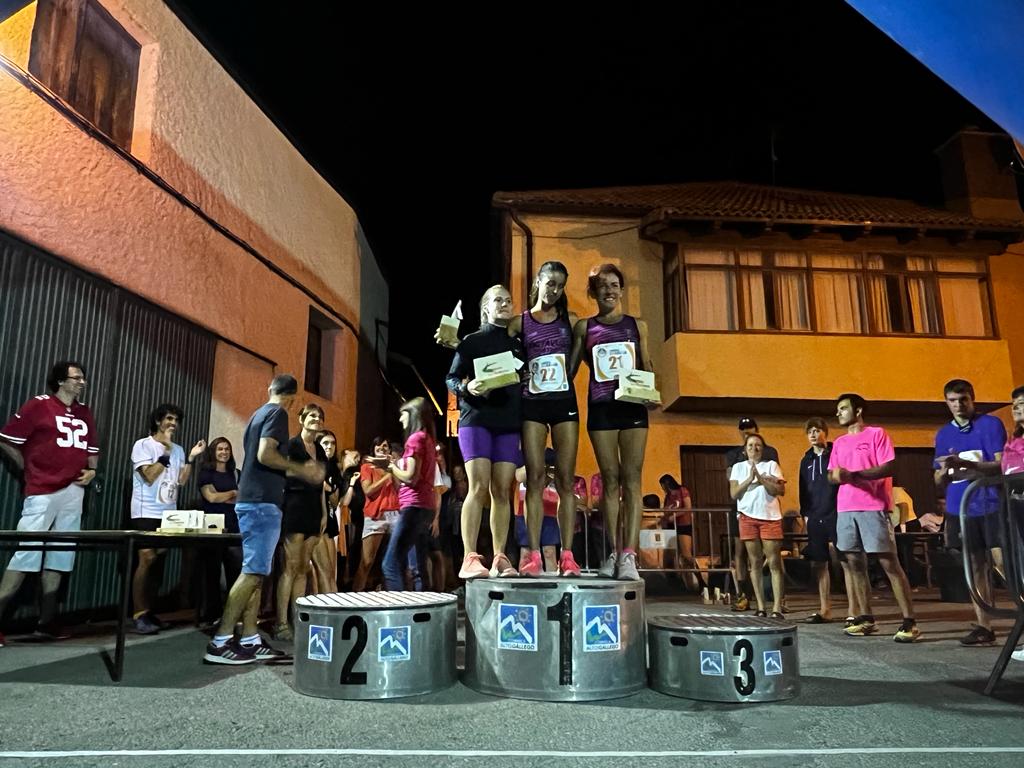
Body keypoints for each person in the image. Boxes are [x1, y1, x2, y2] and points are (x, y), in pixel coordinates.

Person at [203, 373, 323, 665]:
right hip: (261, 503)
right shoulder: (278, 413)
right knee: (253, 573)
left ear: (270, 388)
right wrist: (301, 469)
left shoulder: (258, 413)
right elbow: (265, 454)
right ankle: (221, 641)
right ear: (293, 398)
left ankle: (250, 638)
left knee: (255, 571)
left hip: (252, 500)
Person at [0, 361, 99, 645]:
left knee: (60, 554)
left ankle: (47, 620)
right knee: (26, 551)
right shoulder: (38, 406)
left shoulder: (84, 412)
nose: (82, 382)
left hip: (74, 490)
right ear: (60, 381)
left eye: (83, 378)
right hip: (43, 489)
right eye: (76, 378)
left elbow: (92, 450)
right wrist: (29, 467)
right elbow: (8, 439)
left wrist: (92, 471)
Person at [570, 264, 654, 581]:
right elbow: (570, 368)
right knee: (610, 480)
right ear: (593, 292)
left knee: (632, 479)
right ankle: (612, 552)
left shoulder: (637, 325)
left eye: (615, 284)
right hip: (601, 408)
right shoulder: (584, 327)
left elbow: (645, 364)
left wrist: (652, 392)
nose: (609, 290)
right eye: (602, 285)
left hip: (632, 406)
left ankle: (629, 556)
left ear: (621, 289)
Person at [507, 262, 582, 577]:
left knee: (566, 480)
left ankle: (567, 556)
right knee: (534, 479)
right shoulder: (518, 323)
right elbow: (500, 354)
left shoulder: (571, 321)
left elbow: (577, 359)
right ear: (537, 281)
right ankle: (534, 555)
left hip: (563, 401)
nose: (554, 290)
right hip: (532, 404)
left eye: (560, 285)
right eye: (549, 283)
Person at [446, 285, 522, 579]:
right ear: (486, 309)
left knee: (503, 489)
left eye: (507, 300)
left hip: (508, 422)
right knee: (477, 487)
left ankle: (500, 556)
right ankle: (469, 557)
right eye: (496, 300)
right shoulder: (471, 341)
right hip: (476, 420)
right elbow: (451, 378)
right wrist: (467, 387)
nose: (504, 304)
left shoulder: (518, 344)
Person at [829, 393, 919, 642]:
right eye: (838, 409)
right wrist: (837, 477)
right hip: (845, 509)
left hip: (873, 506)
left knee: (889, 563)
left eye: (843, 408)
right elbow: (832, 475)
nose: (838, 413)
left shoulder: (877, 434)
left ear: (857, 411)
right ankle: (866, 618)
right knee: (854, 563)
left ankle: (909, 621)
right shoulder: (838, 443)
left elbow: (889, 466)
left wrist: (855, 475)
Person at [933, 378, 1007, 646]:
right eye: (953, 400)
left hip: (991, 504)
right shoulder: (943, 434)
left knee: (1003, 563)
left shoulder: (990, 425)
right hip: (960, 508)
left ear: (972, 399)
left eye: (963, 399)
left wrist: (965, 462)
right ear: (946, 403)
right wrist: (943, 472)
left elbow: (1001, 465)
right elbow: (938, 480)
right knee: (975, 566)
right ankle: (984, 626)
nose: (958, 405)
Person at [129, 404, 205, 634]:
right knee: (146, 558)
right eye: (169, 418)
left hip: (168, 512)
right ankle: (138, 613)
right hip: (145, 511)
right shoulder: (143, 445)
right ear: (158, 421)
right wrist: (165, 453)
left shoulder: (179, 449)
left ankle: (150, 612)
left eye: (176, 420)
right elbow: (150, 476)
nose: (173, 423)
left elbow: (181, 481)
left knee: (158, 562)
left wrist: (190, 458)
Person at [274, 404, 330, 639]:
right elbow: (281, 473)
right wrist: (303, 471)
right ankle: (281, 624)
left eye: (319, 417)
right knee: (290, 566)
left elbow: (321, 485)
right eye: (311, 416)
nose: (316, 420)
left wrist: (324, 512)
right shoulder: (292, 445)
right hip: (295, 505)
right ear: (302, 419)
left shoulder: (320, 448)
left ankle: (297, 620)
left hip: (314, 508)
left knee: (303, 568)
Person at [798, 418, 855, 625]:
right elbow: (802, 488)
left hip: (836, 513)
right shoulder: (806, 460)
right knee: (819, 563)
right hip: (815, 516)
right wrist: (805, 514)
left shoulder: (835, 454)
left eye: (817, 430)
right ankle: (825, 609)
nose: (813, 435)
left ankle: (853, 610)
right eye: (810, 431)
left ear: (825, 433)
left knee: (846, 561)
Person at [382, 398, 438, 591]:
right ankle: (425, 611)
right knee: (419, 566)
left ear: (413, 415)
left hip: (413, 507)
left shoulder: (415, 439)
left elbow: (411, 477)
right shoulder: (428, 439)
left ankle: (396, 613)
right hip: (424, 505)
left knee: (390, 564)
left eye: (403, 414)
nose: (400, 419)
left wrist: (391, 467)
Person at [725, 417, 779, 611]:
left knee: (773, 556)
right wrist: (750, 480)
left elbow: (776, 481)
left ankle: (779, 601)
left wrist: (763, 480)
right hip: (742, 508)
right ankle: (743, 594)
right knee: (741, 553)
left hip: (767, 509)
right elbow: (731, 481)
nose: (747, 432)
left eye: (750, 429)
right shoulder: (733, 455)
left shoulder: (770, 452)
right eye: (743, 429)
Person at [197, 437, 242, 626]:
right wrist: (232, 493)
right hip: (212, 527)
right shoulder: (206, 473)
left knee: (235, 571)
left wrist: (222, 496)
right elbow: (211, 497)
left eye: (227, 449)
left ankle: (233, 613)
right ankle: (211, 614)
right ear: (213, 452)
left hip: (234, 526)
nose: (224, 452)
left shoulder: (236, 474)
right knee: (212, 572)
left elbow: (242, 499)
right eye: (220, 449)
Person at [352, 437, 400, 592]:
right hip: (375, 516)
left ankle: (390, 595)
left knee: (393, 561)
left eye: (386, 446)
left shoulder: (394, 467)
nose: (383, 448)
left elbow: (400, 488)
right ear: (373, 449)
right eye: (379, 446)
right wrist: (387, 476)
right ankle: (355, 597)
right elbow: (368, 490)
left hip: (395, 513)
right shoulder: (367, 467)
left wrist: (393, 470)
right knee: (366, 561)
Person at [1001, 386, 1024, 662]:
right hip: (1016, 505)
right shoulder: (1014, 439)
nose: (1016, 408)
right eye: (1014, 404)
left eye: (1022, 403)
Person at [514, 448, 561, 573]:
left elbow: (557, 478)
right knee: (525, 553)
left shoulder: (552, 459)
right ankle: (524, 584)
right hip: (525, 513)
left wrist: (547, 468)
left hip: (550, 512)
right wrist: (534, 464)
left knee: (549, 552)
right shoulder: (525, 459)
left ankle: (552, 586)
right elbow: (519, 477)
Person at [311, 429, 344, 593]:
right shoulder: (313, 464)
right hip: (314, 518)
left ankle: (332, 605)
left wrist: (328, 487)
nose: (330, 447)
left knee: (330, 571)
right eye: (325, 443)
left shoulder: (334, 469)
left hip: (329, 520)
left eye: (332, 443)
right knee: (318, 571)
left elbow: (335, 501)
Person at [659, 474, 699, 591]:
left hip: (683, 524)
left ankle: (698, 580)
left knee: (686, 555)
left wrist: (675, 515)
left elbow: (688, 507)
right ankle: (674, 583)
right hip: (671, 527)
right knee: (669, 557)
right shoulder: (668, 496)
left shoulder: (682, 491)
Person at [336, 445, 364, 590]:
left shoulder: (356, 474)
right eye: (355, 456)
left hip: (355, 518)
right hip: (343, 518)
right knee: (343, 554)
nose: (358, 459)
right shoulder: (341, 473)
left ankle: (346, 585)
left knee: (351, 553)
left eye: (359, 457)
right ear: (345, 453)